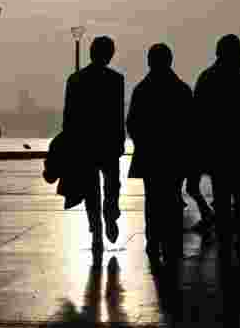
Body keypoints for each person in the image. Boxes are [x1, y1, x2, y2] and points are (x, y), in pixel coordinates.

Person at [193, 34, 240, 265]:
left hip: (217, 149)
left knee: (222, 198)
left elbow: (198, 117)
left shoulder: (207, 78)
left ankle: (225, 242)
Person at [127, 43, 192, 267]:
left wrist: (144, 144)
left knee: (153, 200)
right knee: (173, 199)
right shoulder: (182, 90)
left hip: (150, 155)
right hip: (175, 156)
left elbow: (132, 124)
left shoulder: (142, 90)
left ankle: (153, 241)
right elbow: (190, 126)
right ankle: (172, 243)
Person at [62, 35, 126, 252]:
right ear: (109, 54)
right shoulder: (116, 80)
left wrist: (69, 143)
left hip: (84, 145)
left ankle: (97, 231)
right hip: (108, 143)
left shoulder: (75, 79)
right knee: (112, 187)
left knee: (91, 191)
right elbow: (117, 115)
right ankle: (110, 216)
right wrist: (120, 140)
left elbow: (68, 116)